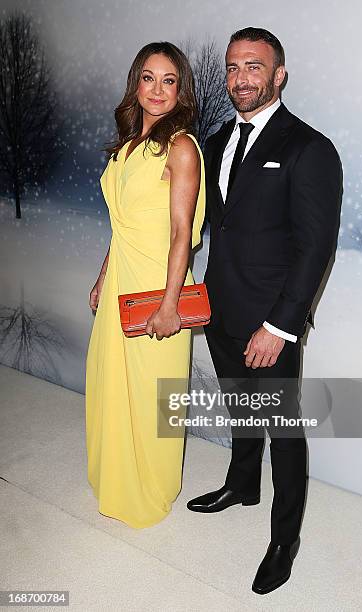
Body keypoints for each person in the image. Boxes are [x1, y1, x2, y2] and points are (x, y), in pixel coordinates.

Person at [187, 27, 343, 594]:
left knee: (282, 427)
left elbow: (315, 247)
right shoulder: (215, 138)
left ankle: (285, 539)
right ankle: (241, 485)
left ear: (279, 75)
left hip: (270, 320)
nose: (239, 78)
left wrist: (279, 325)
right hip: (220, 308)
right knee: (241, 409)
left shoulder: (309, 147)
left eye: (253, 67)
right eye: (232, 67)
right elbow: (210, 222)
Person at [85, 42, 205, 529]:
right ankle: (116, 475)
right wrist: (102, 275)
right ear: (136, 82)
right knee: (113, 385)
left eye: (169, 80)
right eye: (149, 78)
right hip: (121, 281)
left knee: (156, 394)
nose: (158, 90)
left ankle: (151, 489)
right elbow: (122, 224)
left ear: (181, 90)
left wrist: (171, 304)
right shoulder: (129, 144)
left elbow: (182, 233)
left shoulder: (181, 146)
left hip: (159, 286)